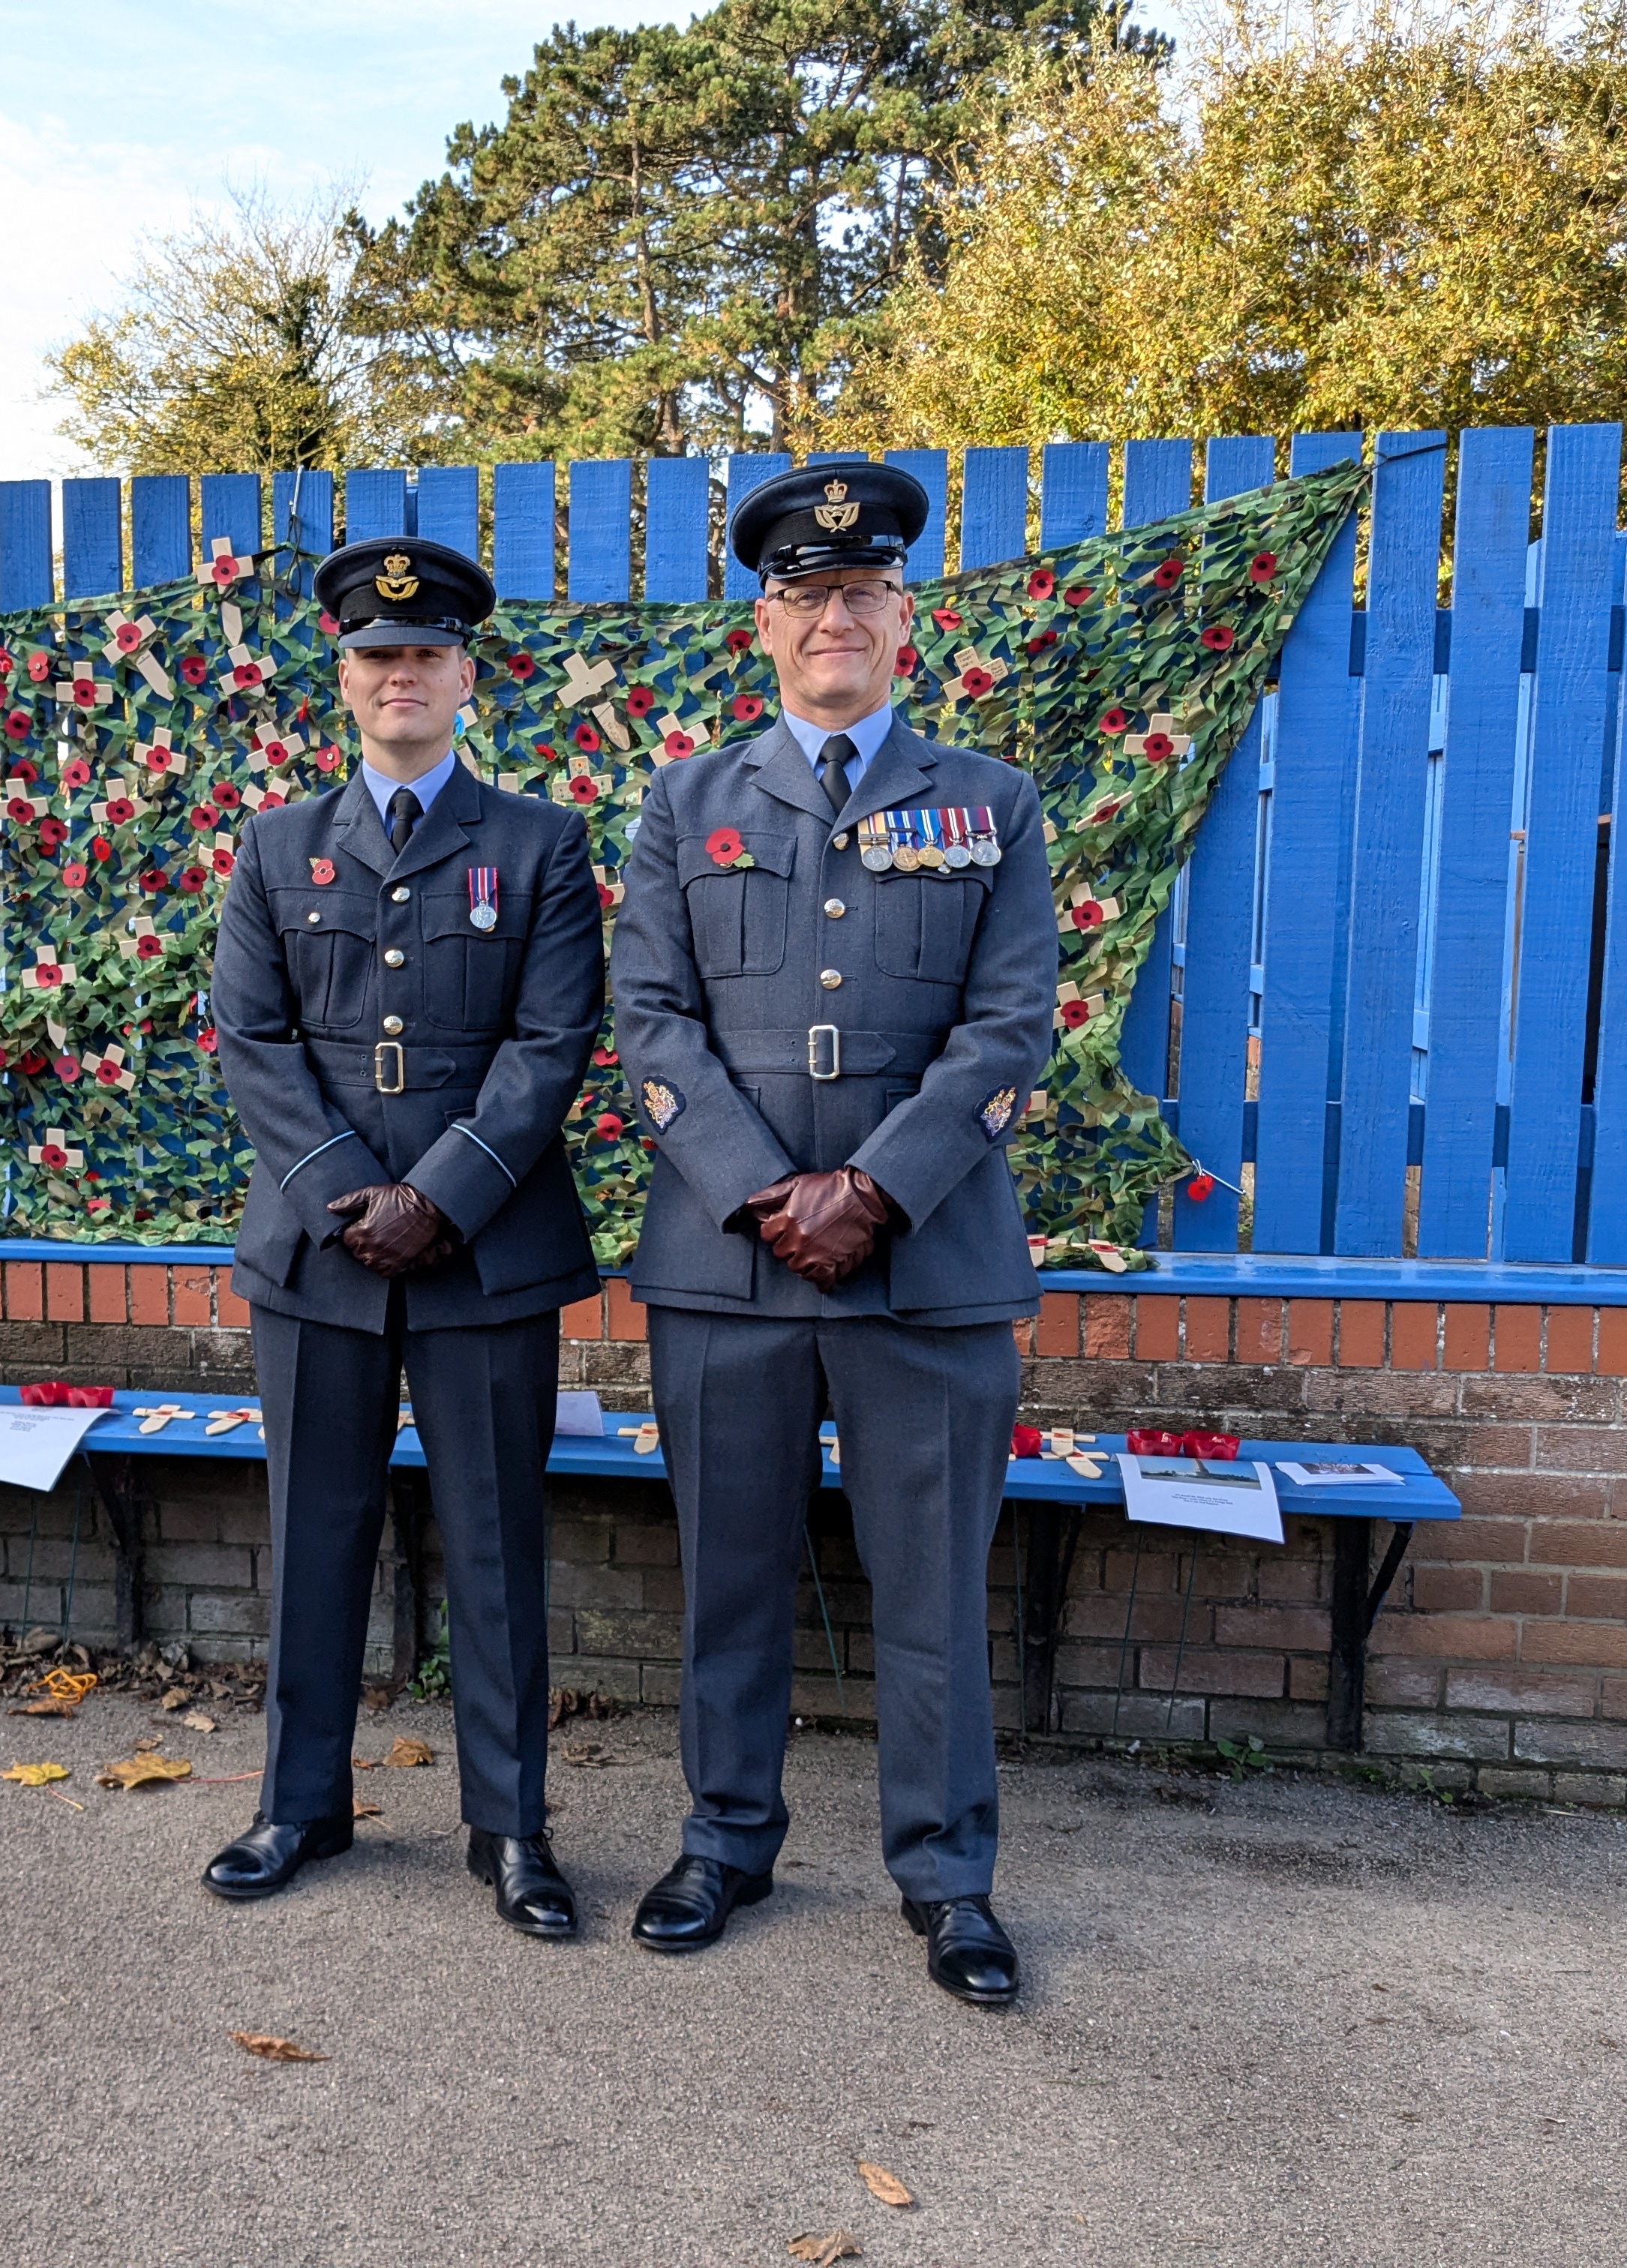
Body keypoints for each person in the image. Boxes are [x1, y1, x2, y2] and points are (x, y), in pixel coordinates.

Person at [609, 461, 1056, 2003]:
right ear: (765, 624)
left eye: (861, 592)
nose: (834, 619)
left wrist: (874, 1190)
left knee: (932, 1590)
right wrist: (760, 1188)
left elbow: (1009, 1030)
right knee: (730, 1577)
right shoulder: (689, 801)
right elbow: (651, 1022)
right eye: (806, 597)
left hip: (926, 1264)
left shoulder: (991, 804)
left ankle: (950, 1880)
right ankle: (725, 1841)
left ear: (903, 618)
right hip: (725, 1269)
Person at [203, 534, 608, 1936]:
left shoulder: (542, 846)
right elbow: (251, 1039)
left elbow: (552, 1041)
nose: (401, 677)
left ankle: (511, 1830)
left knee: (496, 1546)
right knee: (315, 1535)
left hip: (485, 1253)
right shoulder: (276, 844)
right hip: (317, 1258)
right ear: (346, 675)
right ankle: (299, 1807)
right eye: (377, 657)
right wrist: (341, 1192)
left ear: (464, 673)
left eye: (425, 654)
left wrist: (437, 1194)